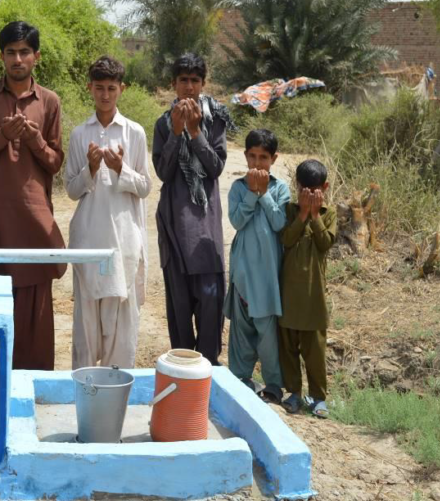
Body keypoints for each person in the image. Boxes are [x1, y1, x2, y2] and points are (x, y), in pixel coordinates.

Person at [0, 21, 66, 370]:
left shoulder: (49, 101)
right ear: (1, 56)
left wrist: (35, 141)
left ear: (36, 57)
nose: (17, 59)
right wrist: (1, 137)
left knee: (33, 312)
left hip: (33, 218)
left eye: (24, 52)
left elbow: (54, 163)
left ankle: (33, 386)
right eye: (10, 52)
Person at [65, 56, 151, 369]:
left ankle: (115, 396)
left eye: (111, 88)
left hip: (124, 241)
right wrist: (90, 167)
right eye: (99, 88)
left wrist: (119, 168)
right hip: (89, 239)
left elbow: (144, 187)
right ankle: (85, 395)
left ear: (121, 89)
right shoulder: (79, 134)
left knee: (121, 327)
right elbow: (72, 190)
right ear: (89, 88)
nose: (105, 94)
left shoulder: (134, 133)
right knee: (86, 327)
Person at [152, 53, 230, 364]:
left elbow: (215, 167)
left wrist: (195, 132)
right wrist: (176, 131)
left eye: (194, 81)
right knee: (180, 311)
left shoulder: (216, 119)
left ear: (203, 84)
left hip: (205, 229)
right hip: (174, 226)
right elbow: (163, 172)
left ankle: (208, 371)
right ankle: (184, 371)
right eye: (183, 80)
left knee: (211, 305)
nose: (188, 87)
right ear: (173, 84)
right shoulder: (163, 123)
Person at [225, 129, 290, 402]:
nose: (257, 163)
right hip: (242, 271)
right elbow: (237, 221)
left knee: (267, 332)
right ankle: (240, 378)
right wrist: (251, 193)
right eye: (252, 156)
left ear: (273, 159)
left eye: (263, 157)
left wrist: (263, 193)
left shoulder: (280, 188)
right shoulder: (238, 187)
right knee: (241, 329)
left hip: (267, 274)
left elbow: (279, 223)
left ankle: (273, 383)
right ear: (245, 156)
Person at [279, 159, 337, 417]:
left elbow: (324, 244)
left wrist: (314, 215)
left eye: (315, 191)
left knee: (315, 352)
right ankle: (293, 393)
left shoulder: (329, 214)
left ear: (324, 187)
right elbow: (287, 239)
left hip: (314, 298)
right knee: (288, 349)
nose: (310, 196)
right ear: (297, 187)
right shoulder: (290, 210)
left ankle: (318, 397)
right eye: (305, 190)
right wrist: (302, 213)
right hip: (289, 295)